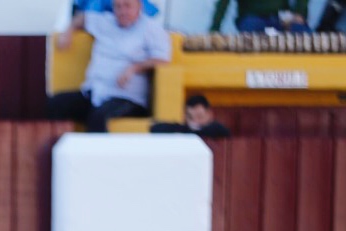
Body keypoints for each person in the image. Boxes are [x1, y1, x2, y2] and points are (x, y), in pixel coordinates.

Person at [46, 0, 172, 133]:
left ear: (139, 6)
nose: (123, 11)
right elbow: (81, 18)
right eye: (118, 6)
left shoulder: (151, 28)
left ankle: (95, 154)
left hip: (127, 98)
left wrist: (134, 68)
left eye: (127, 6)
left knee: (98, 117)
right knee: (55, 103)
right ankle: (59, 150)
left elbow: (162, 59)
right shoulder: (105, 22)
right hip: (95, 93)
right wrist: (68, 32)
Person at [149, 94, 232, 137]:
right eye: (190, 117)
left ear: (209, 114)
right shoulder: (184, 129)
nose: (195, 121)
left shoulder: (217, 130)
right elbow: (155, 128)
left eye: (200, 116)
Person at [210, 0, 311, 32]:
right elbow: (223, 3)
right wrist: (215, 28)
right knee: (251, 33)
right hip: (251, 20)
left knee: (303, 33)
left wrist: (298, 13)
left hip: (281, 19)